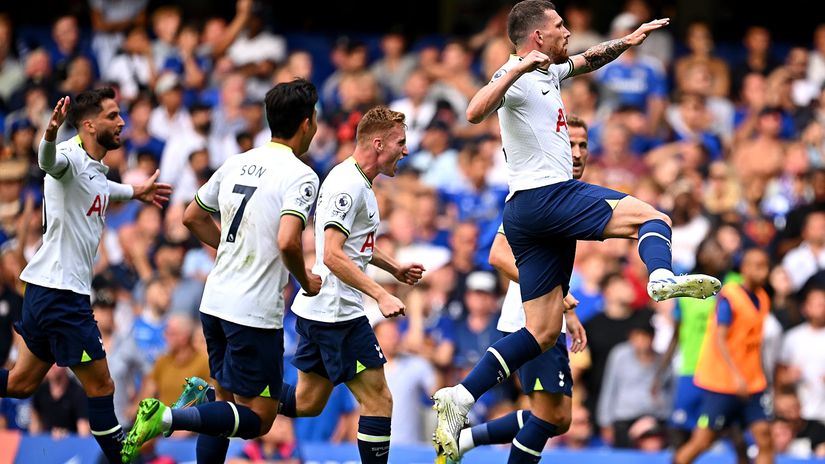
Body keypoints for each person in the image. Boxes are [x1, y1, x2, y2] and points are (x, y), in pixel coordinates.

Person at [431, 2, 721, 462]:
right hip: (547, 197)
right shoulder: (518, 71)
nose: (568, 31)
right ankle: (661, 277)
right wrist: (516, 68)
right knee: (654, 217)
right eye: (560, 25)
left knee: (543, 331)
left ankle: (462, 397)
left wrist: (627, 42)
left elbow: (588, 60)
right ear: (536, 36)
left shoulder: (549, 71)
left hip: (525, 213)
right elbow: (473, 112)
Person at [121, 79, 323, 463]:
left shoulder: (237, 161)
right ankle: (168, 416)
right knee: (259, 419)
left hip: (214, 302)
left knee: (222, 402)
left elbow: (191, 216)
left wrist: (230, 249)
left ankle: (188, 412)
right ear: (307, 123)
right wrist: (305, 281)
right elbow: (287, 241)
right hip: (252, 312)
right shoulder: (302, 175)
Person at [0, 87, 171, 464]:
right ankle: (121, 459)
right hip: (62, 294)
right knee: (103, 385)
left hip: (47, 289)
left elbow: (102, 189)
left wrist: (136, 191)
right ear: (89, 124)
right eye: (113, 116)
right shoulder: (67, 156)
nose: (121, 121)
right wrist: (49, 133)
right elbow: (48, 162)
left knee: (21, 383)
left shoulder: (92, 168)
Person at [276, 106, 425, 464]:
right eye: (400, 143)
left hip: (321, 310)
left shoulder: (360, 182)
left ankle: (229, 389)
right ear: (378, 143)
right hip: (336, 313)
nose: (405, 150)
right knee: (379, 400)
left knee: (306, 403)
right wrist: (380, 293)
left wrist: (395, 268)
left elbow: (357, 248)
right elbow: (331, 254)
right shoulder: (347, 185)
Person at [441, 115, 591, 463]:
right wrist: (557, 296)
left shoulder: (565, 194)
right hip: (532, 320)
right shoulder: (540, 191)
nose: (578, 153)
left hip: (546, 317)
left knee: (560, 417)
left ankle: (466, 440)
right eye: (570, 144)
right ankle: (464, 429)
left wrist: (565, 308)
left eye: (583, 145)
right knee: (547, 417)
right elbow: (498, 256)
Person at [674, 248, 775, 464]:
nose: (763, 272)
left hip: (753, 382)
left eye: (766, 266)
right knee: (703, 440)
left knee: (765, 436)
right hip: (722, 382)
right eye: (758, 266)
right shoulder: (730, 297)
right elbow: (719, 339)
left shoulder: (763, 298)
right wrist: (735, 375)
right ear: (745, 269)